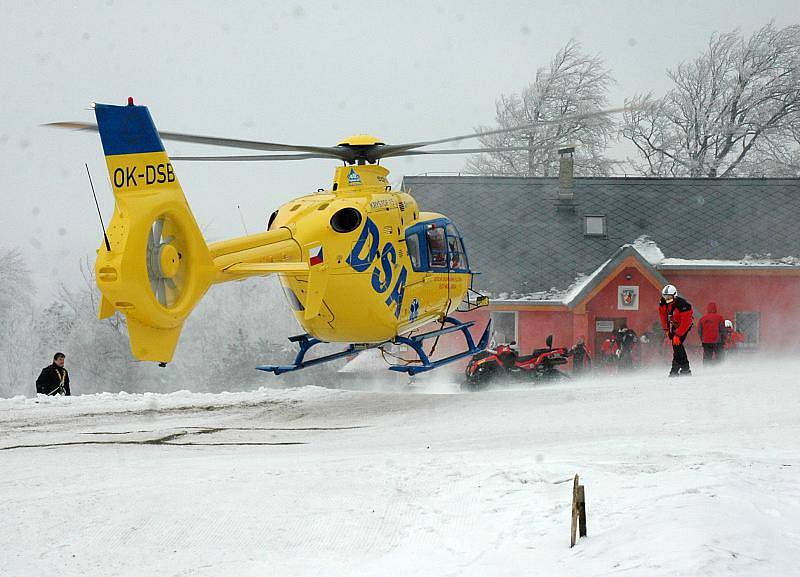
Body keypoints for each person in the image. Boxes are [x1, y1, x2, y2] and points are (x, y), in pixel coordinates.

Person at [658, 285, 694, 377]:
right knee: (677, 347)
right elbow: (663, 315)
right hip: (674, 325)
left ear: (674, 295)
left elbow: (686, 322)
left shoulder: (683, 305)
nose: (667, 299)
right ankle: (683, 369)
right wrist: (666, 329)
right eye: (665, 297)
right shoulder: (663, 302)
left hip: (683, 326)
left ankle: (681, 369)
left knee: (677, 345)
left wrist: (678, 335)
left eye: (669, 297)